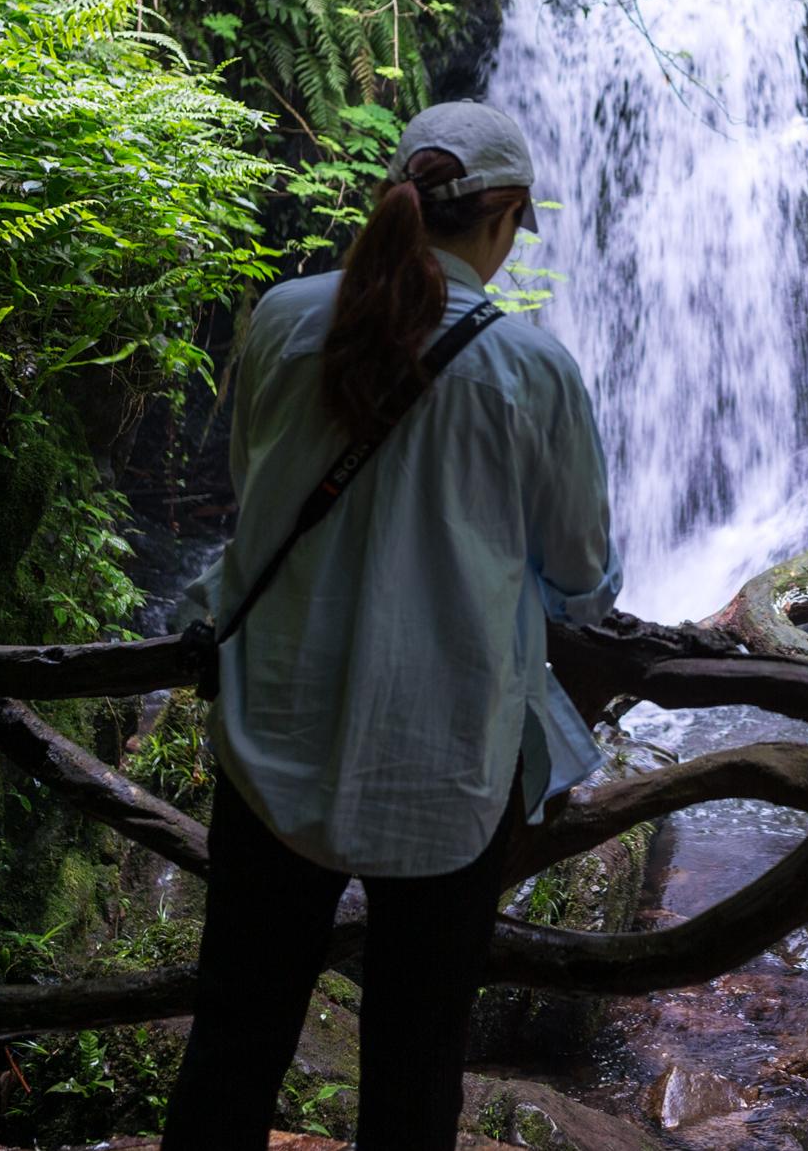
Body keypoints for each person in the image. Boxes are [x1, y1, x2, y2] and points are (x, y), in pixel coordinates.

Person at [162, 99, 622, 1151]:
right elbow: (584, 573)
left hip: (272, 734)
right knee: (416, 1071)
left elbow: (255, 491)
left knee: (234, 1038)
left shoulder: (281, 317)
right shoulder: (531, 369)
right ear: (503, 216)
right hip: (446, 758)